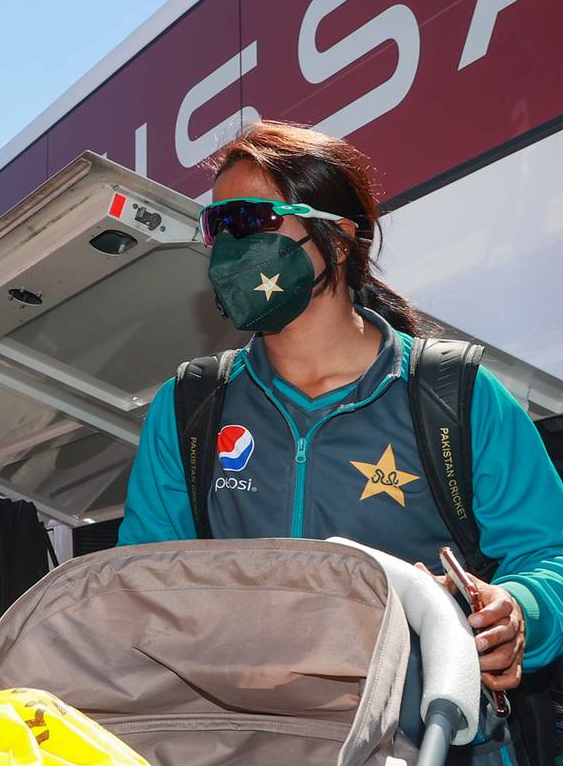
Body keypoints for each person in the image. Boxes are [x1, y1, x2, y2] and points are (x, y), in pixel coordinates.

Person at [119, 121, 563, 763]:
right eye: (217, 226)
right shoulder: (190, 408)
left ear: (342, 233)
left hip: (434, 745)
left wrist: (519, 610)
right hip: (252, 748)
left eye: (249, 219)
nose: (226, 248)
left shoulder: (454, 394)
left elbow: (551, 552)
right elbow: (138, 590)